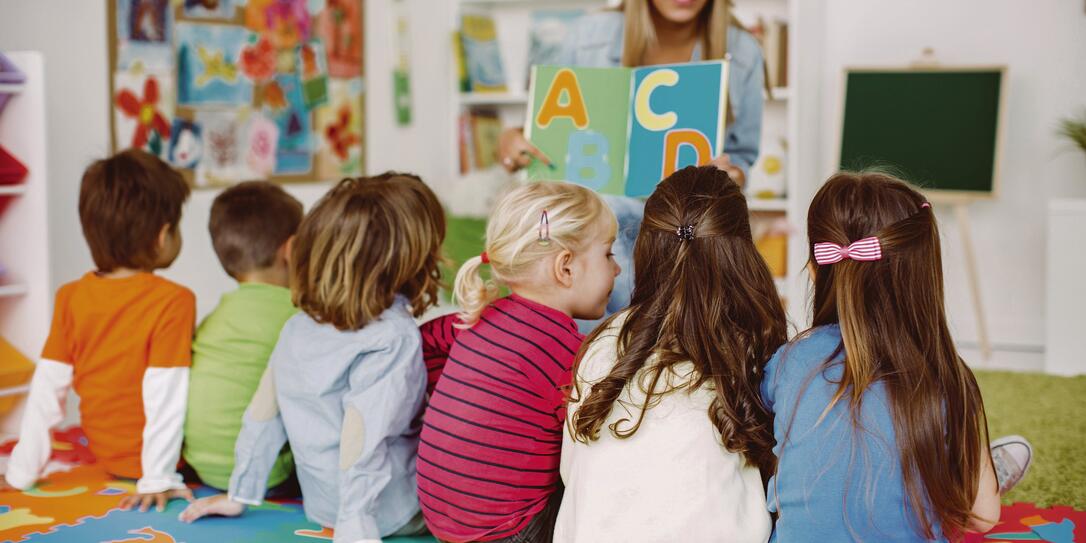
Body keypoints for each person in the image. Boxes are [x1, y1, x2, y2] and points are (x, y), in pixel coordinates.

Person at [762, 171, 1033, 542]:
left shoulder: (788, 362)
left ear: (814, 268)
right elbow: (983, 518)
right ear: (925, 275)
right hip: (958, 485)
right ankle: (971, 474)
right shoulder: (946, 376)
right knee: (964, 490)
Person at [180, 174, 446, 543]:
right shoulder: (394, 337)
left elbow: (263, 411)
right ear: (412, 260)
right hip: (386, 513)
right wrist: (356, 523)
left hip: (321, 505)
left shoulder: (297, 326)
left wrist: (242, 490)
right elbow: (362, 433)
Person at [500, 0, 766, 325]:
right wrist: (515, 140)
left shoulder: (743, 50)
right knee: (590, 352)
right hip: (591, 238)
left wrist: (731, 173)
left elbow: (742, 157)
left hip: (682, 233)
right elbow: (548, 125)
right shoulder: (587, 35)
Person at [556, 166, 784, 542]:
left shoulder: (603, 341)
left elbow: (573, 472)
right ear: (743, 254)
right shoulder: (751, 344)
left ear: (645, 247)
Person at [417, 182, 619, 542]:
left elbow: (424, 343)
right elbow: (598, 437)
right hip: (508, 532)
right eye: (608, 254)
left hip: (441, 518)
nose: (617, 270)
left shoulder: (475, 319)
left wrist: (464, 399)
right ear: (566, 268)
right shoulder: (565, 351)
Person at [5, 149, 195, 513]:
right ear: (162, 236)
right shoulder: (174, 301)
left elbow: (48, 389)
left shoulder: (71, 298)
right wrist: (157, 477)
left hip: (106, 455)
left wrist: (21, 470)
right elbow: (166, 394)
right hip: (160, 463)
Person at [181, 181, 303, 494]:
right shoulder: (298, 316)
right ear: (290, 250)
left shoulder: (215, 318)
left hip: (203, 466)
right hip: (268, 476)